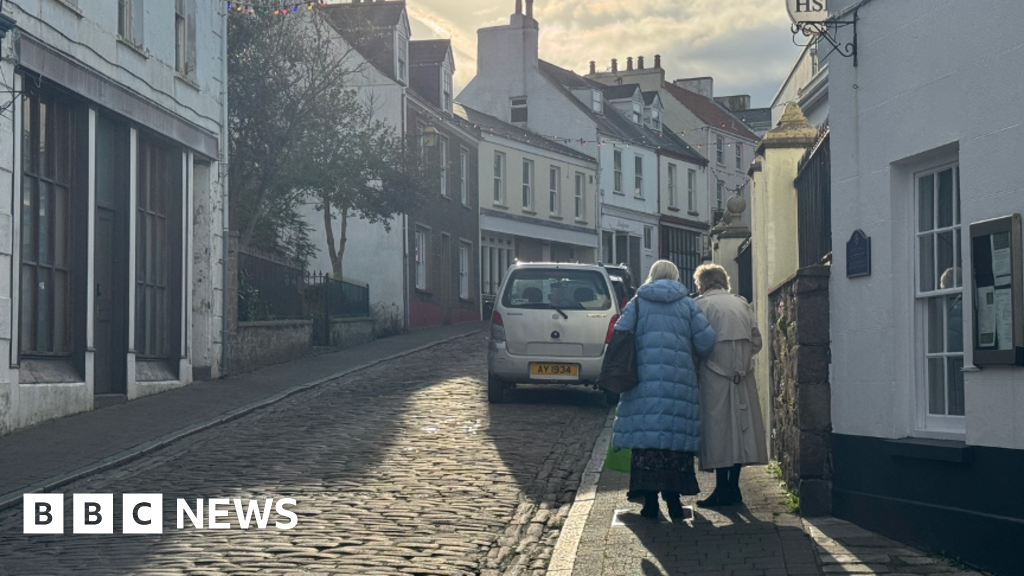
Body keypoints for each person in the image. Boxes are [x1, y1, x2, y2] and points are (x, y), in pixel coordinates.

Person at [611, 260, 716, 521]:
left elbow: (620, 332)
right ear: (676, 277)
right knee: (673, 440)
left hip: (642, 383)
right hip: (678, 383)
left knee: (646, 441)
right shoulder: (687, 305)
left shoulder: (637, 303)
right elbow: (706, 342)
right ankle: (674, 501)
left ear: (652, 276)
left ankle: (648, 503)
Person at [692, 264, 768, 507]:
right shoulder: (741, 303)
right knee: (741, 432)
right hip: (742, 376)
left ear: (702, 284)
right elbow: (756, 342)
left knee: (719, 432)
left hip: (714, 376)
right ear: (724, 281)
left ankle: (721, 489)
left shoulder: (700, 305)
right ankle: (733, 488)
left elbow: (696, 343)